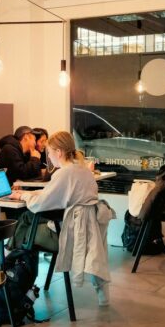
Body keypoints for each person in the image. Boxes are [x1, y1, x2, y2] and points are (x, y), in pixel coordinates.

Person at [9, 131, 115, 306]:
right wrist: (28, 193)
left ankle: (10, 269)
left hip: (69, 235)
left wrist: (22, 197)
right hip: (88, 230)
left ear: (58, 152)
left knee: (26, 228)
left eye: (49, 152)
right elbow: (53, 193)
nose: (49, 156)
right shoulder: (83, 170)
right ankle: (10, 259)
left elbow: (40, 204)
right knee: (28, 220)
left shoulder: (64, 173)